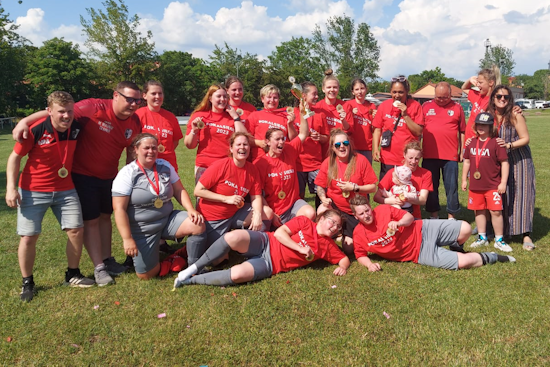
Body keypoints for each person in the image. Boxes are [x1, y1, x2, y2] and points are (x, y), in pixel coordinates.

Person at [12, 81, 144, 286]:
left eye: (137, 100)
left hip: (110, 177)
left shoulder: (135, 121)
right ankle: (99, 267)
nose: (134, 104)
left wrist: (128, 173)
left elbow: (130, 149)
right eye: (130, 99)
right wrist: (24, 121)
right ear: (115, 96)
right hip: (83, 176)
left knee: (105, 217)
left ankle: (107, 260)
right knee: (90, 221)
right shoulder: (93, 107)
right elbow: (60, 110)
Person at [6, 91, 94, 301]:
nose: (66, 116)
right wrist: (11, 187)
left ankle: (72, 274)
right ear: (49, 112)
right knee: (29, 237)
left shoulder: (76, 125)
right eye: (61, 111)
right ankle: (27, 282)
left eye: (69, 111)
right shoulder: (36, 129)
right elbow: (14, 158)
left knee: (76, 230)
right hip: (33, 190)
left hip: (65, 189)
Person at [173, 210, 350, 288]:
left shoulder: (328, 246)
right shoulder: (305, 222)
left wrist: (342, 267)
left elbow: (343, 259)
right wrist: (300, 248)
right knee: (233, 237)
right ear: (320, 219)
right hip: (266, 241)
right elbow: (281, 233)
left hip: (270, 264)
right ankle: (193, 268)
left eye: (338, 226)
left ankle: (191, 280)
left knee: (236, 275)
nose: (334, 227)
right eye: (331, 221)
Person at [112, 133, 204, 279]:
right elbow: (119, 209)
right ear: (136, 149)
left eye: (154, 148)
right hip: (143, 228)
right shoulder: (127, 173)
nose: (151, 151)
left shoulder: (164, 166)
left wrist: (191, 210)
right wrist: (127, 239)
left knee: (198, 224)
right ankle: (172, 259)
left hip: (167, 219)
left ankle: (193, 265)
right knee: (146, 275)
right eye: (146, 148)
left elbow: (179, 190)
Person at [350, 196, 515, 272]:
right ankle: (494, 257)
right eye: (361, 214)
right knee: (464, 262)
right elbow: (360, 254)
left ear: (370, 208)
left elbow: (408, 217)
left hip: (423, 228)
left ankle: (456, 246)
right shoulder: (359, 234)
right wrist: (369, 265)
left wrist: (399, 223)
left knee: (465, 228)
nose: (367, 215)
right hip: (419, 253)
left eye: (367, 210)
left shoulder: (383, 210)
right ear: (356, 217)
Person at [186, 132, 272, 265]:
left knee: (267, 213)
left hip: (234, 213)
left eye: (245, 144)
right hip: (213, 217)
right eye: (238, 144)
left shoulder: (252, 169)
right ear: (231, 148)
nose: (242, 147)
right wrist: (226, 199)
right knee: (218, 260)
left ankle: (252, 249)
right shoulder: (221, 165)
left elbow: (256, 197)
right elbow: (198, 191)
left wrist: (257, 215)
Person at [314, 129, 377, 256]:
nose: (342, 146)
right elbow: (320, 185)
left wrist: (355, 188)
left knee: (349, 249)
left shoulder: (361, 160)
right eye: (337, 145)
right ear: (332, 148)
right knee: (322, 209)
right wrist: (323, 198)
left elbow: (373, 187)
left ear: (350, 144)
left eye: (345, 143)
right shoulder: (328, 163)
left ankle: (341, 235)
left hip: (353, 211)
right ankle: (322, 241)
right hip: (336, 207)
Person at [488, 86, 536, 251]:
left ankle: (526, 234)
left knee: (522, 195)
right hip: (499, 162)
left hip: (519, 160)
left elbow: (525, 138)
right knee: (504, 195)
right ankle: (505, 231)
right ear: (493, 97)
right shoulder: (490, 115)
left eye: (506, 97)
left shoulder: (515, 114)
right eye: (499, 96)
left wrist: (509, 145)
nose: (502, 99)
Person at [254, 101, 315, 227]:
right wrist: (271, 212)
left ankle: (293, 233)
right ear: (267, 142)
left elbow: (303, 134)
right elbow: (257, 193)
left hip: (293, 204)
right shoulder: (260, 163)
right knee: (263, 228)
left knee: (310, 213)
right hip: (272, 208)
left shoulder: (289, 150)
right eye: (277, 139)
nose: (281, 142)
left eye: (283, 138)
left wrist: (303, 113)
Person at [462, 112, 511, 252]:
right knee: (479, 211)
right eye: (479, 124)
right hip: (476, 185)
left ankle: (499, 239)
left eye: (485, 125)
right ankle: (482, 237)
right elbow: (466, 161)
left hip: (493, 185)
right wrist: (464, 179)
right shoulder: (471, 142)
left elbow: (505, 163)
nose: (481, 127)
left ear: (491, 127)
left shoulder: (497, 143)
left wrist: (503, 182)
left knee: (495, 212)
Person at [184, 84, 247, 183]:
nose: (222, 99)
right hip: (205, 166)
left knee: (225, 197)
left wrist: (235, 117)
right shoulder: (200, 116)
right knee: (203, 197)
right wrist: (194, 131)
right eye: (219, 96)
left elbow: (243, 138)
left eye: (225, 96)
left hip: (226, 166)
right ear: (210, 99)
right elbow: (189, 145)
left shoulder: (231, 118)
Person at [421, 82, 466, 219]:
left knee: (451, 187)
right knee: (431, 187)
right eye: (438, 97)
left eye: (444, 97)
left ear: (450, 95)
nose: (441, 100)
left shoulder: (457, 108)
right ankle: (434, 215)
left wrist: (462, 150)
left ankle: (451, 216)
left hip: (450, 155)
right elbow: (418, 129)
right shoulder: (426, 106)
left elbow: (462, 131)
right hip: (429, 154)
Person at [372, 75, 424, 180]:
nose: (397, 95)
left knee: (405, 192)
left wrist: (405, 115)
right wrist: (375, 149)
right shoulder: (384, 105)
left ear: (407, 92)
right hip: (388, 157)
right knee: (385, 192)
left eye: (401, 92)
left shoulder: (415, 106)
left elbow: (418, 131)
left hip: (407, 159)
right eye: (394, 92)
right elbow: (377, 129)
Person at [291, 81, 329, 207]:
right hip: (298, 163)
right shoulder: (293, 114)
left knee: (322, 193)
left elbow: (327, 138)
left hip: (315, 163)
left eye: (317, 94)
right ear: (303, 95)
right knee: (299, 196)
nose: (317, 97)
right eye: (314, 94)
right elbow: (290, 139)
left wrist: (320, 137)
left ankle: (321, 219)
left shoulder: (320, 114)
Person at [374, 141, 432, 220]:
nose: (413, 161)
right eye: (410, 158)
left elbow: (422, 200)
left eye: (417, 158)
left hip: (414, 216)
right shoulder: (393, 172)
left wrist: (406, 197)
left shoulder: (426, 174)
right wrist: (391, 200)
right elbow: (377, 197)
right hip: (393, 215)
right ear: (404, 155)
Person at [136, 80, 183, 172]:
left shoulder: (171, 117)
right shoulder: (138, 115)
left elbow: (175, 142)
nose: (157, 97)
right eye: (153, 94)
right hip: (145, 166)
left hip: (168, 166)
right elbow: (131, 143)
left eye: (160, 93)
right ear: (144, 95)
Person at [247, 84, 298, 161]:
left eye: (275, 98)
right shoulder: (254, 115)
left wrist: (290, 124)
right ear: (262, 99)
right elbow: (245, 138)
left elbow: (294, 140)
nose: (272, 100)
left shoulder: (285, 116)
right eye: (269, 97)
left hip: (281, 160)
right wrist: (259, 143)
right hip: (260, 160)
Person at [461, 66, 500, 144]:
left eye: (480, 82)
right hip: (468, 141)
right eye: (477, 82)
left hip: (483, 143)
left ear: (491, 83)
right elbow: (464, 88)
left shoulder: (495, 100)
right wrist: (470, 79)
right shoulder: (477, 95)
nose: (477, 85)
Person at [344, 78, 377, 162]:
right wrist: (350, 114)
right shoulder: (348, 105)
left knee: (366, 173)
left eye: (362, 88)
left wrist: (376, 117)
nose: (360, 92)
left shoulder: (371, 106)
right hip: (351, 146)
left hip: (367, 147)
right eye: (357, 89)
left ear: (366, 89)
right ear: (353, 92)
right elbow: (344, 127)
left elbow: (374, 129)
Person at [315, 69, 354, 135]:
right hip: (323, 144)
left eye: (335, 87)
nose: (332, 90)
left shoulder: (346, 106)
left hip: (340, 144)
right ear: (323, 89)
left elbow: (350, 130)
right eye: (329, 87)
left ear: (338, 88)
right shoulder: (317, 107)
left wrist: (343, 120)